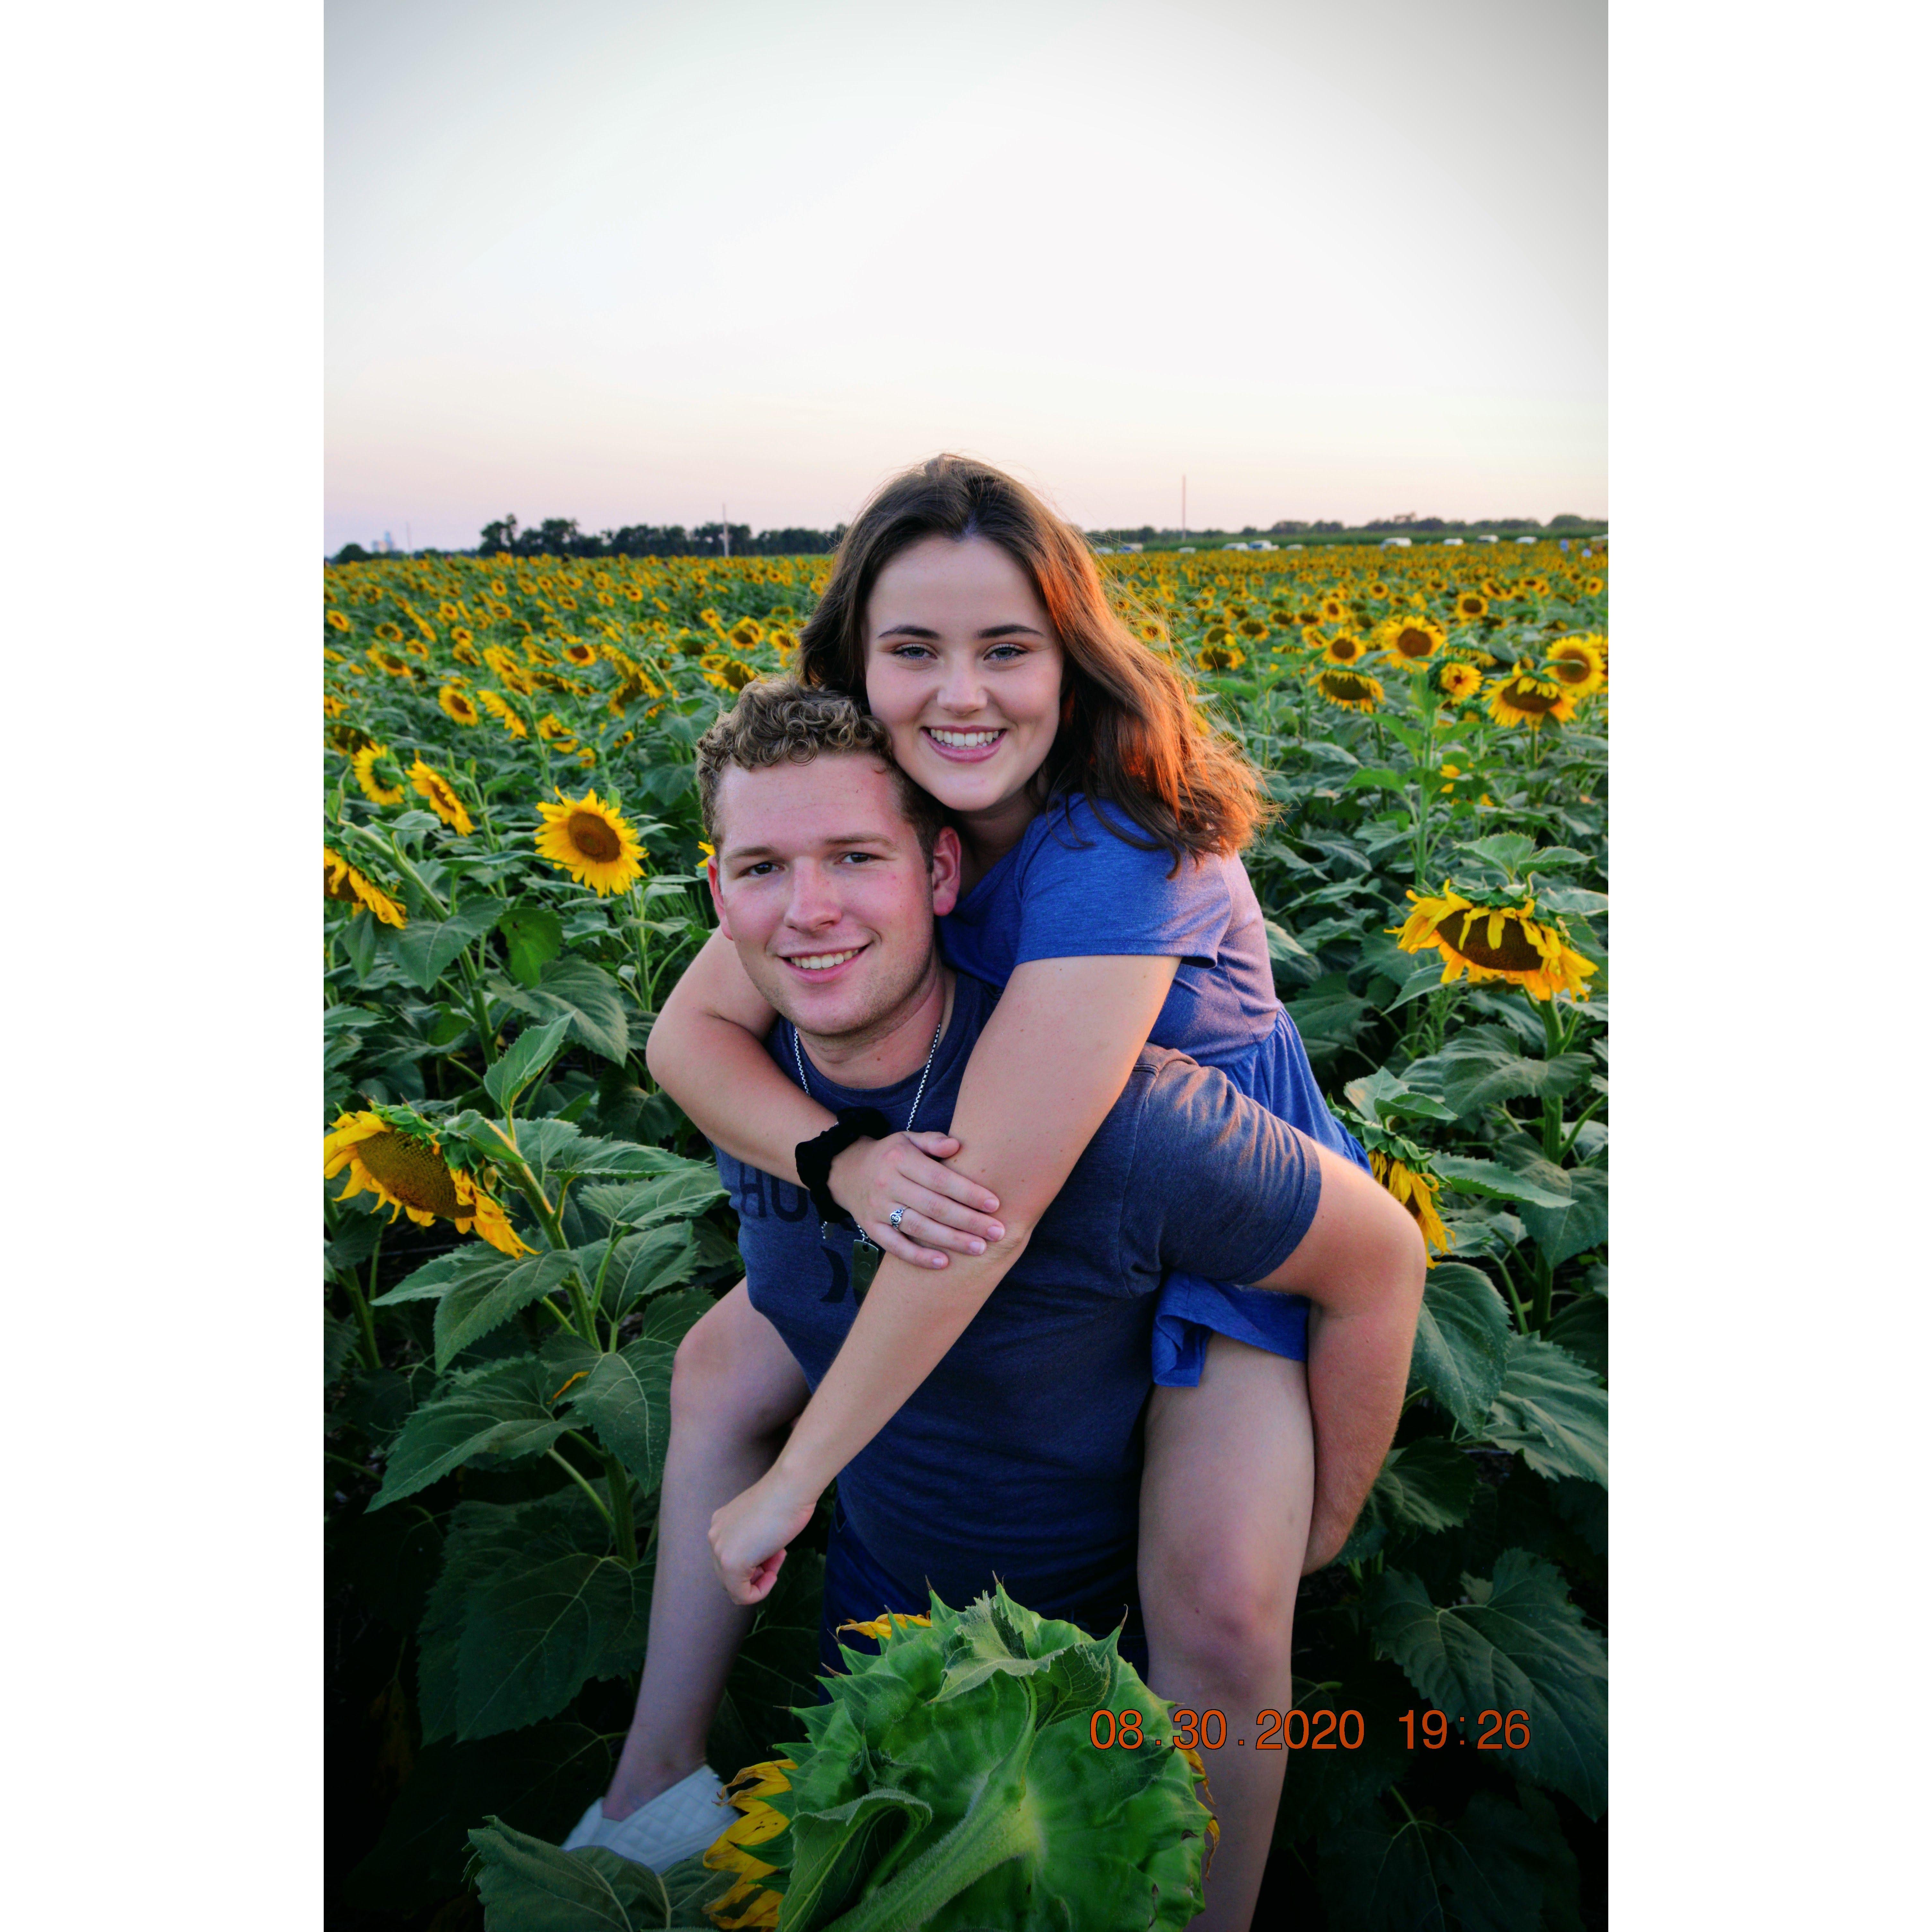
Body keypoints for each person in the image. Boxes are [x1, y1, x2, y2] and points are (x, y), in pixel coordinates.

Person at [565, 684, 1424, 1932]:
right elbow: (695, 1049)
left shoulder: (1127, 1115)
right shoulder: (756, 1090)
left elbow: (1379, 1259)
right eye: (763, 868)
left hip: (1079, 1752)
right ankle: (655, 1780)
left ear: (942, 873)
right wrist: (837, 1162)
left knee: (1225, 1607)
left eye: (858, 859)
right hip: (872, 1687)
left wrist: (1324, 1528)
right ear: (715, 895)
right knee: (714, 1372)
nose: (808, 910)